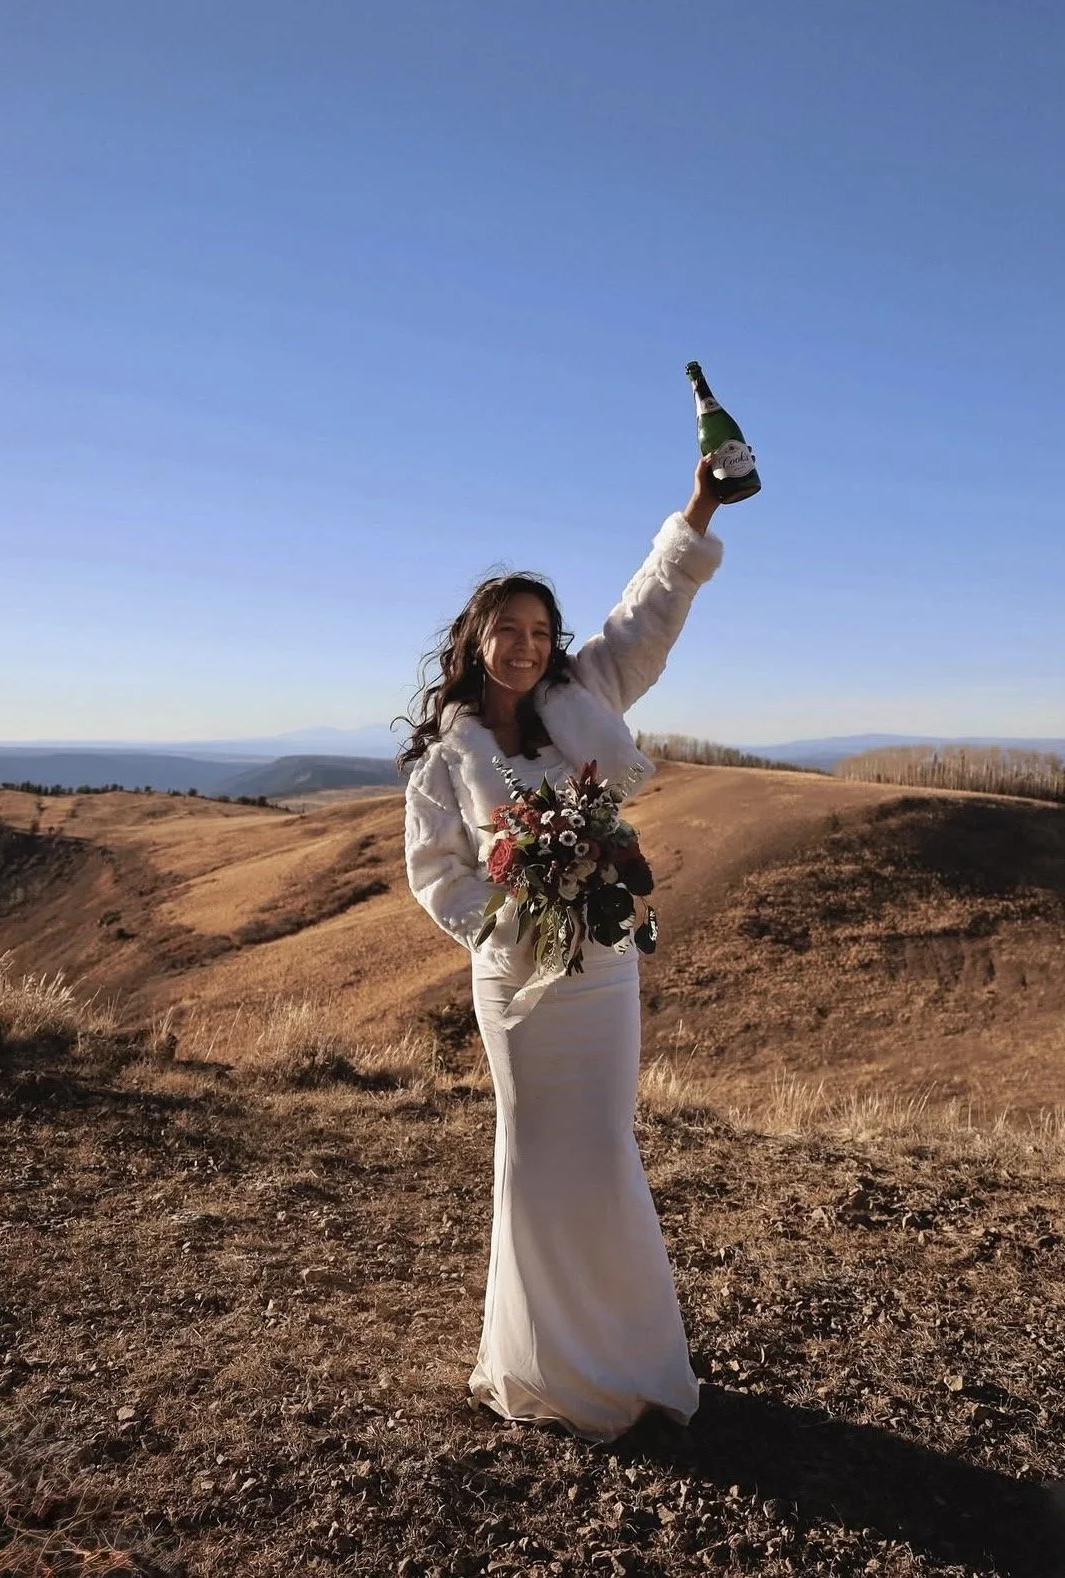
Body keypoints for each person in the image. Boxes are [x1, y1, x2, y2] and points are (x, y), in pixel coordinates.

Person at [399, 455, 724, 1443]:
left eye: (542, 632)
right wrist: (509, 916)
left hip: (604, 970)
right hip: (518, 986)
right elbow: (439, 875)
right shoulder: (446, 760)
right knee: (537, 1157)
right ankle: (543, 1365)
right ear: (475, 639)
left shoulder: (591, 696)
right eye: (508, 630)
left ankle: (625, 1366)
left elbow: (649, 606)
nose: (527, 648)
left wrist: (701, 503)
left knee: (604, 1150)